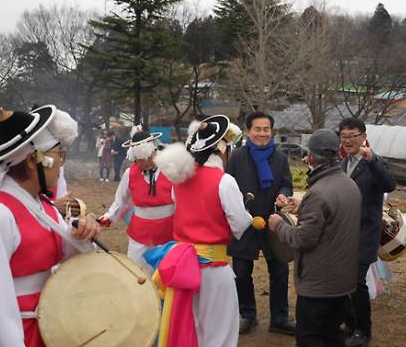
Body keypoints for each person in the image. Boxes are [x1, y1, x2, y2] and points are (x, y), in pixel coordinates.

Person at [0, 105, 100, 347]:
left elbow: (63, 251)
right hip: (8, 336)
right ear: (34, 160)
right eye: (58, 154)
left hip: (39, 326)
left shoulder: (44, 206)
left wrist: (82, 232)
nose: (61, 163)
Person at [152, 115, 253, 346]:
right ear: (221, 150)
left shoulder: (179, 180)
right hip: (214, 268)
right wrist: (246, 213)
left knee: (192, 326)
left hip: (183, 266)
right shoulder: (224, 181)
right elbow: (240, 224)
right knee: (220, 332)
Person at [268, 128, 361, 347]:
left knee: (311, 337)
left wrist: (278, 225)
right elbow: (334, 220)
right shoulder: (349, 184)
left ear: (310, 157)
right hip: (342, 279)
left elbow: (303, 239)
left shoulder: (318, 192)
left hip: (318, 283)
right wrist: (303, 208)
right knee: (332, 334)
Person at [226, 111, 295, 335]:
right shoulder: (237, 156)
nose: (262, 133)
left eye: (266, 129)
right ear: (248, 131)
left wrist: (283, 195)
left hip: (273, 221)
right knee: (242, 271)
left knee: (279, 270)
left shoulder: (280, 157)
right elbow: (227, 186)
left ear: (271, 131)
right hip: (245, 222)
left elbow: (286, 184)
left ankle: (279, 318)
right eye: (258, 129)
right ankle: (248, 314)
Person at [337, 118, 396, 347]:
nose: (348, 140)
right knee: (342, 282)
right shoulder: (341, 165)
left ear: (363, 136)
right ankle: (349, 324)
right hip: (342, 235)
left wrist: (372, 161)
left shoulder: (373, 162)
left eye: (352, 135)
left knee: (356, 283)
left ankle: (363, 330)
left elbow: (389, 184)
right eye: (343, 136)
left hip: (364, 235)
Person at [98, 125, 174, 272]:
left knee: (166, 272)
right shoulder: (130, 173)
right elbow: (120, 199)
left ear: (153, 152)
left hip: (167, 230)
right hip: (140, 231)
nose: (143, 163)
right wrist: (109, 216)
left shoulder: (170, 169)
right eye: (138, 160)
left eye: (147, 158)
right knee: (137, 270)